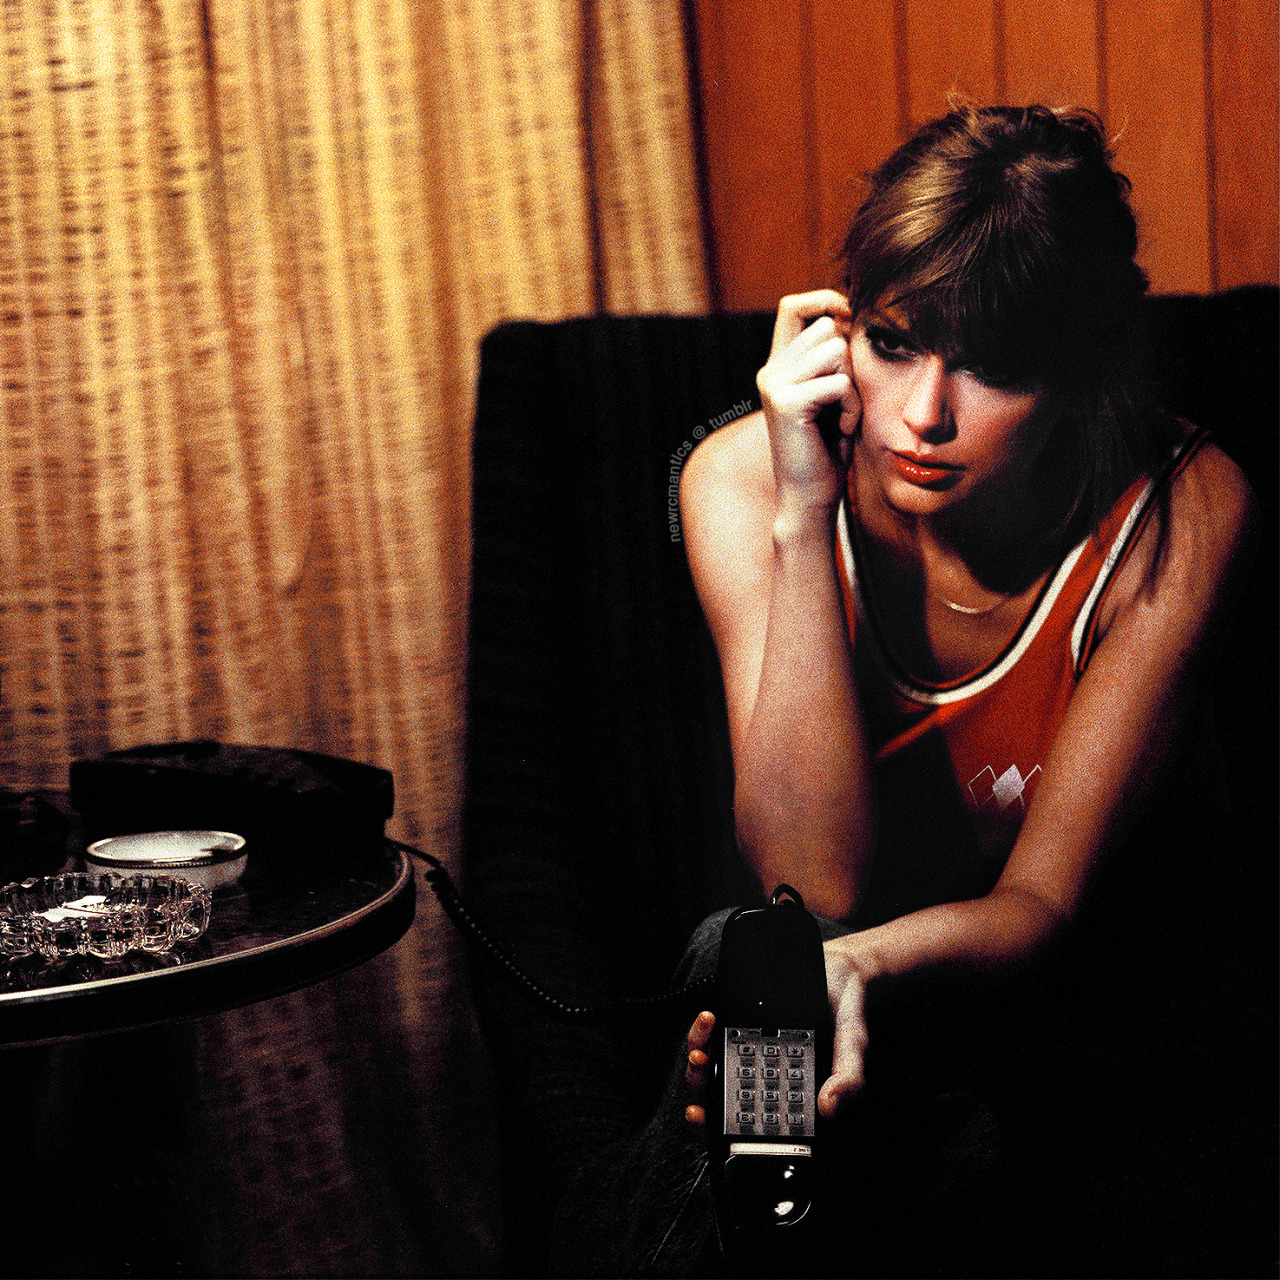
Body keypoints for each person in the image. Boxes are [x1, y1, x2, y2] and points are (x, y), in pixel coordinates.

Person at [547, 104, 1255, 1276]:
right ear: (838, 329)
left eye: (994, 366)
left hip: (1063, 1006)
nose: (923, 415)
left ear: (1078, 368)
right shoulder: (743, 481)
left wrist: (855, 965)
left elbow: (1042, 908)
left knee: (786, 1001)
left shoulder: (1177, 509)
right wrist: (801, 508)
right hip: (824, 1003)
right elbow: (811, 876)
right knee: (761, 977)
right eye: (891, 342)